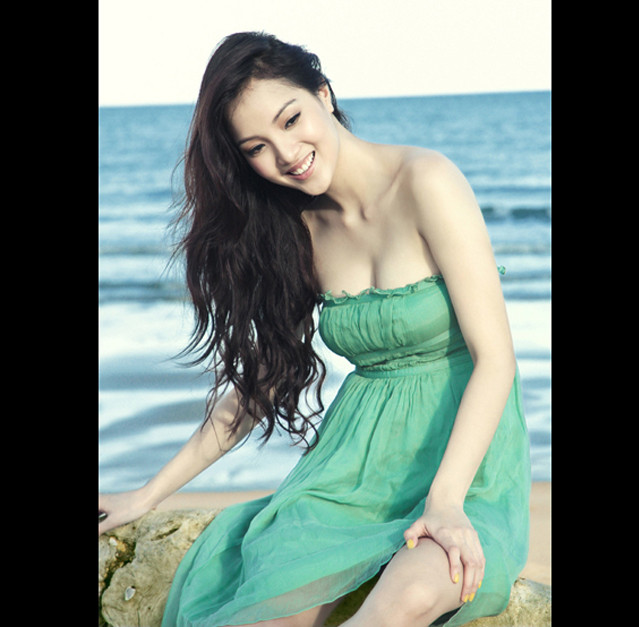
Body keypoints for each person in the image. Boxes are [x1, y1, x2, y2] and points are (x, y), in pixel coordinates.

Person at [98, 32, 531, 627]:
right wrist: (148, 494)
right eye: (257, 147)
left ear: (323, 94)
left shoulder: (426, 180)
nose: (286, 153)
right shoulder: (296, 229)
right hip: (352, 468)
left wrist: (446, 501)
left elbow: (496, 359)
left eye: (291, 119)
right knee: (266, 615)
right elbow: (259, 385)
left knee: (407, 597)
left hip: (465, 465)